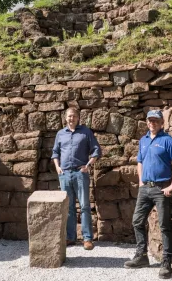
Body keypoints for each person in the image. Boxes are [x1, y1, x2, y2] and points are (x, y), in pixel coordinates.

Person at [124, 110, 172, 279]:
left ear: (161, 123)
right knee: (137, 221)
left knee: (165, 225)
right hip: (145, 188)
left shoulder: (167, 140)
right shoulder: (143, 140)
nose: (153, 123)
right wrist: (141, 182)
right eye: (150, 120)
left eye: (156, 121)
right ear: (147, 122)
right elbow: (140, 161)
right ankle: (141, 256)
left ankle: (166, 262)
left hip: (161, 188)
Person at [51, 107, 101, 250]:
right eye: (69, 116)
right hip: (64, 174)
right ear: (65, 118)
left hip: (80, 173)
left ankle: (87, 239)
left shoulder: (86, 132)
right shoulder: (60, 134)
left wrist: (88, 165)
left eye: (74, 116)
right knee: (69, 207)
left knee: (85, 206)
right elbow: (55, 153)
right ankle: (70, 237)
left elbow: (96, 150)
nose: (71, 118)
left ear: (78, 118)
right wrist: (57, 167)